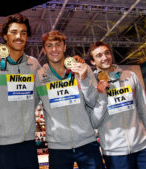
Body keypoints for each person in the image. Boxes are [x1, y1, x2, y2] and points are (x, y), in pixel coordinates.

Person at [35, 30, 108, 169]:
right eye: (49, 46)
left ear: (64, 47)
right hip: (58, 147)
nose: (54, 49)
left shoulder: (82, 68)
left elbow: (93, 102)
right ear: (44, 50)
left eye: (58, 44)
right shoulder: (39, 77)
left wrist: (84, 78)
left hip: (87, 143)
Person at [88, 41, 146, 169]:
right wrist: (102, 96)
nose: (105, 57)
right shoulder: (91, 86)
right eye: (99, 55)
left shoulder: (130, 76)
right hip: (114, 152)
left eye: (107, 53)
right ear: (92, 61)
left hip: (141, 146)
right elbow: (94, 122)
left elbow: (143, 107)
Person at [0, 14, 41, 169]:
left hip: (27, 142)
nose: (19, 37)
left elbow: (37, 97)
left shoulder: (34, 64)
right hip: (1, 144)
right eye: (14, 32)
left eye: (23, 33)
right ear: (4, 36)